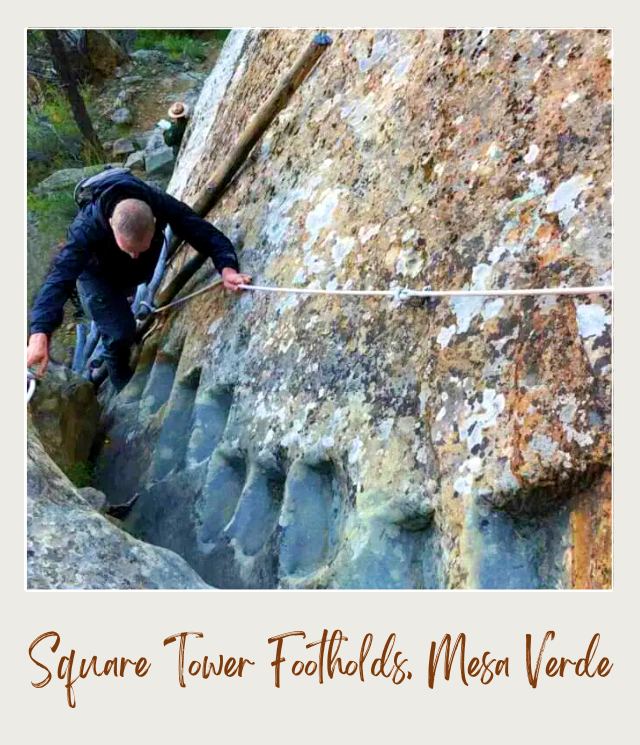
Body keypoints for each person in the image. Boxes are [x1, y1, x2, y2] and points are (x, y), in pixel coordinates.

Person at [27, 169, 251, 391]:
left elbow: (201, 231)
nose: (135, 255)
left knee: (122, 315)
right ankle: (121, 381)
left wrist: (227, 268)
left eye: (140, 249)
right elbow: (59, 278)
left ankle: (122, 320)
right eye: (129, 249)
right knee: (118, 332)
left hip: (130, 274)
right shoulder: (86, 228)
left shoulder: (158, 202)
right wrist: (39, 333)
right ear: (111, 223)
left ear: (155, 220)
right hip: (97, 276)